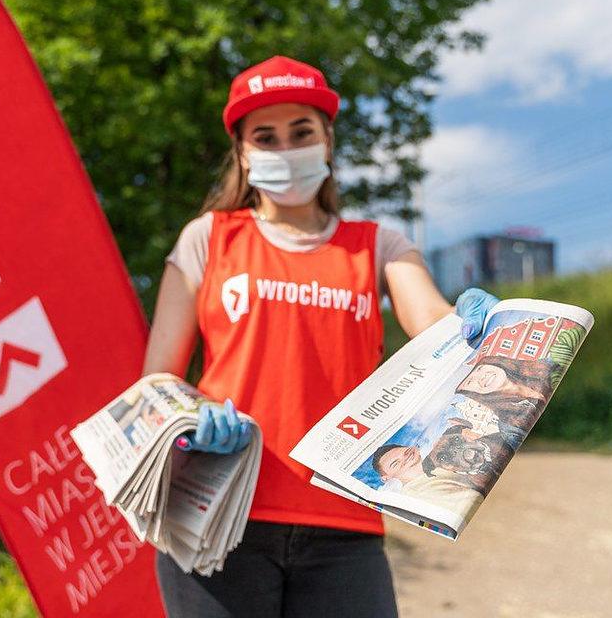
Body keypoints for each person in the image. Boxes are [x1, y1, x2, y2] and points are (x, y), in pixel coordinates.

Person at [141, 55, 499, 618]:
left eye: (301, 131)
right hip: (218, 515)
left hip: (344, 523)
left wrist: (473, 327)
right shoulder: (207, 238)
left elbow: (432, 320)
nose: (285, 148)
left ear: (327, 140)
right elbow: (157, 381)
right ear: (242, 152)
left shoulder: (378, 245)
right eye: (266, 137)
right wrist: (189, 426)